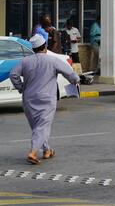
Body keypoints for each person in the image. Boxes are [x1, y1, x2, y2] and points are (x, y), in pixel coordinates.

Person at [10, 34, 80, 165]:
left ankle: (47, 150)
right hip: (47, 100)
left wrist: (21, 87)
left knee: (38, 127)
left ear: (33, 48)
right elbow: (70, 73)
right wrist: (75, 80)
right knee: (42, 127)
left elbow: (13, 74)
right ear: (45, 46)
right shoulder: (52, 60)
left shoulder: (25, 61)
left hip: (29, 99)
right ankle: (32, 152)